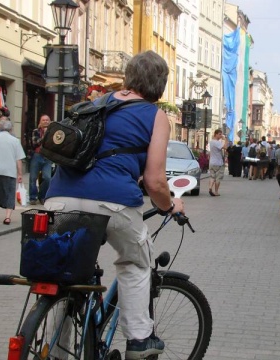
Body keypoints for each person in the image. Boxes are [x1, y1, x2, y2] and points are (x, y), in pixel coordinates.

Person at [45, 50, 184, 359]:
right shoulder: (155, 116)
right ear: (159, 86)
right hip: (113, 203)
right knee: (136, 261)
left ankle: (54, 351)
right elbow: (155, 181)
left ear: (127, 77)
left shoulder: (95, 103)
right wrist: (170, 206)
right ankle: (138, 340)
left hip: (59, 198)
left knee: (67, 277)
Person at [29, 114, 53, 205]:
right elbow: (35, 143)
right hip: (37, 155)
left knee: (47, 178)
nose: (45, 122)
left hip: (47, 157)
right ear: (40, 122)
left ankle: (42, 196)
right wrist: (45, 136)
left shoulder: (53, 132)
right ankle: (32, 197)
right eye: (43, 120)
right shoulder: (36, 131)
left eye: (47, 120)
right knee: (33, 178)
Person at [208, 129, 227, 196]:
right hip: (218, 163)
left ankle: (210, 188)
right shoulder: (217, 142)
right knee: (218, 178)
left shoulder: (211, 142)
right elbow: (225, 147)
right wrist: (225, 140)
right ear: (215, 134)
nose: (220, 135)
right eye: (219, 134)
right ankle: (216, 192)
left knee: (212, 176)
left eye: (221, 134)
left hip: (212, 162)